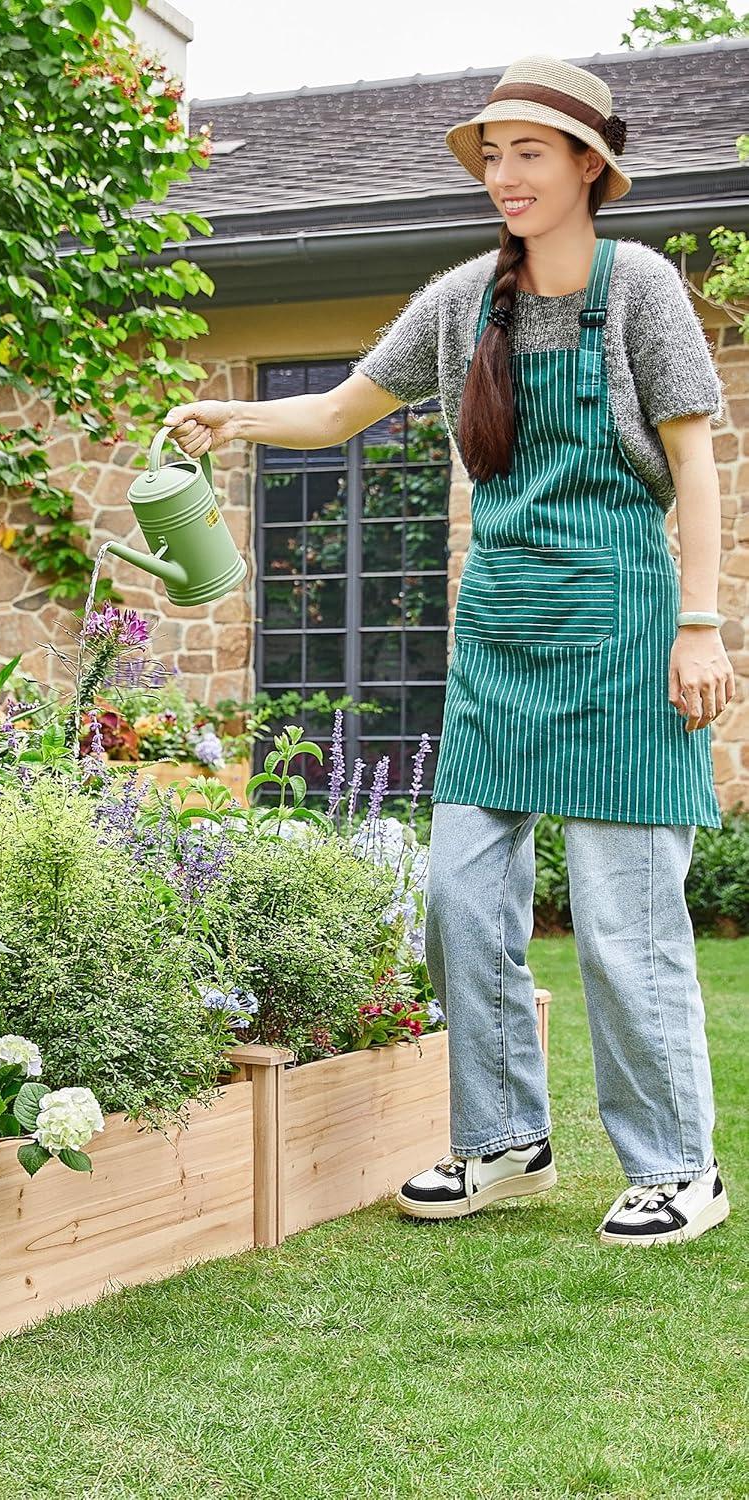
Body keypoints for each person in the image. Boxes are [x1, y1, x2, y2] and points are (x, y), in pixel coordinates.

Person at [164, 55, 733, 1247]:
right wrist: (233, 415)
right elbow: (336, 414)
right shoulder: (463, 299)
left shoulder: (641, 294)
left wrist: (701, 623)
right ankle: (503, 1141)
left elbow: (693, 465)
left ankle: (677, 1168)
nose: (505, 174)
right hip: (503, 631)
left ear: (590, 166)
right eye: (492, 154)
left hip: (628, 625)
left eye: (530, 152)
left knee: (625, 917)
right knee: (459, 895)